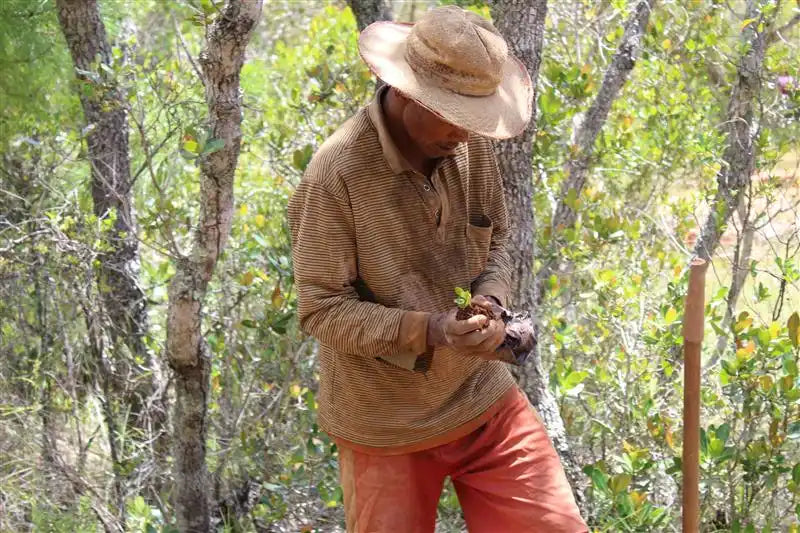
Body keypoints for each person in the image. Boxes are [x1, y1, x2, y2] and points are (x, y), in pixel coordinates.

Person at [287, 5, 587, 532]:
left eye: (474, 118)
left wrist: (490, 304)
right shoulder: (335, 176)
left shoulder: (464, 145)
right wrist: (431, 331)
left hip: (482, 399)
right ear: (405, 92)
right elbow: (321, 310)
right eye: (452, 114)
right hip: (383, 424)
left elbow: (495, 240)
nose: (465, 134)